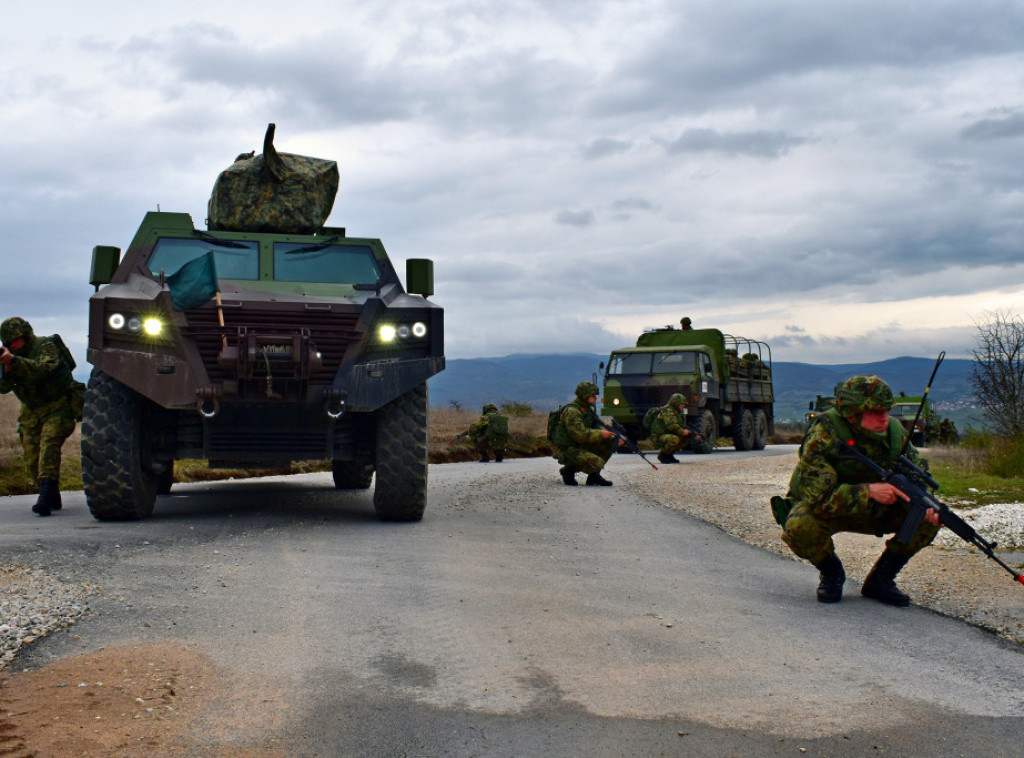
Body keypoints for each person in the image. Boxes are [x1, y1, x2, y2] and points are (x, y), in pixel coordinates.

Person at [779, 375, 941, 606]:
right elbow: (818, 499)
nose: (884, 418)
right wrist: (869, 492)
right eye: (875, 411)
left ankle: (881, 579)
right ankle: (832, 574)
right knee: (800, 526)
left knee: (926, 518)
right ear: (852, 413)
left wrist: (927, 506)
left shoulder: (895, 434)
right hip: (832, 508)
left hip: (879, 510)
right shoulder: (826, 432)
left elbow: (919, 478)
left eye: (887, 410)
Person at [0, 317, 85, 516]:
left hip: (59, 405)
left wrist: (14, 361)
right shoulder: (12, 356)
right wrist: (6, 368)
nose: (11, 346)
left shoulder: (46, 346)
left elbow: (42, 371)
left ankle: (45, 497)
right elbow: (3, 388)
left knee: (49, 445)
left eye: (14, 341)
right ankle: (51, 493)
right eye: (8, 343)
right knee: (31, 457)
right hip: (32, 410)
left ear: (25, 335)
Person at [552, 381, 620, 486]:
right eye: (592, 396)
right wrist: (601, 434)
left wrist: (611, 437)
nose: (595, 398)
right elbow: (580, 435)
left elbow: (596, 427)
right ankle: (568, 471)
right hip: (567, 449)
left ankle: (594, 477)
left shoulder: (587, 410)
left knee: (610, 442)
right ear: (584, 396)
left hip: (580, 446)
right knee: (597, 462)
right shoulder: (572, 411)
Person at [648, 393, 693, 464]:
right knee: (674, 439)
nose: (683, 406)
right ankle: (662, 455)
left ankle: (669, 455)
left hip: (666, 434)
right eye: (682, 404)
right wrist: (683, 431)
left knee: (685, 437)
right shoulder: (668, 410)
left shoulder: (676, 411)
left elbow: (678, 425)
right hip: (658, 436)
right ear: (676, 403)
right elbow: (671, 425)